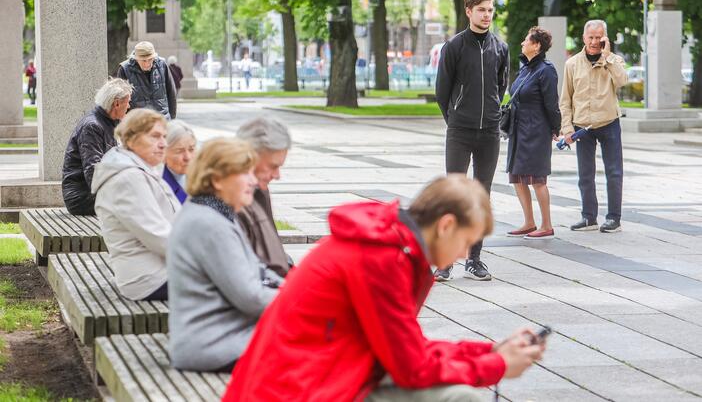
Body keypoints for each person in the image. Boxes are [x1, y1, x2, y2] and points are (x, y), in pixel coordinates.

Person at [223, 176, 546, 401]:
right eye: (467, 242)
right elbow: (412, 369)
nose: (464, 255)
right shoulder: (383, 257)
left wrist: (490, 351)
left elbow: (407, 349)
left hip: (306, 381)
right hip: (296, 390)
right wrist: (498, 365)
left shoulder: (389, 246)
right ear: (446, 225)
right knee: (457, 398)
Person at [168, 138, 284, 373]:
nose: (253, 181)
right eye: (245, 173)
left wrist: (296, 288)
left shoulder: (215, 213)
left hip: (224, 337)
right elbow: (250, 297)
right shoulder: (208, 224)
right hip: (217, 346)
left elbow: (258, 271)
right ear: (217, 179)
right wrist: (300, 300)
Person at [434, 0, 509, 281]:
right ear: (469, 12)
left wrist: (491, 115)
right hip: (460, 132)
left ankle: (475, 259)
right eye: (481, 10)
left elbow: (501, 86)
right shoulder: (453, 47)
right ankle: (446, 261)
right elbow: (442, 92)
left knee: (481, 197)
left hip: (489, 131)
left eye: (490, 10)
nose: (487, 15)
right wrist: (455, 119)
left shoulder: (500, 48)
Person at [92, 109, 180, 301]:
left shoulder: (140, 170)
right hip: (150, 279)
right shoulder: (128, 178)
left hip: (163, 271)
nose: (163, 143)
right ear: (131, 140)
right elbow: (159, 237)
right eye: (155, 136)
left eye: (164, 137)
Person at [560, 20, 627, 233]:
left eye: (599, 37)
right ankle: (589, 217)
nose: (594, 42)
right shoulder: (572, 64)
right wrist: (568, 129)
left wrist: (607, 57)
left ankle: (613, 218)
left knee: (614, 172)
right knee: (585, 175)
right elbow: (565, 100)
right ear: (583, 38)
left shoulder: (614, 60)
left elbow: (623, 81)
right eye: (591, 37)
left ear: (605, 38)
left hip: (609, 123)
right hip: (583, 127)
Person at [505, 27, 561, 239]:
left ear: (536, 45)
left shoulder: (546, 70)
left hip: (537, 130)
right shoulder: (526, 69)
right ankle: (529, 221)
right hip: (518, 130)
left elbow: (551, 103)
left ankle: (547, 224)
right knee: (517, 177)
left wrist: (556, 128)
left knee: (538, 179)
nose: (522, 43)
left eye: (526, 40)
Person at [62, 78, 132, 216]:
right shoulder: (92, 126)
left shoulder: (108, 123)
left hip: (93, 193)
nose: (129, 106)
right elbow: (93, 173)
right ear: (117, 103)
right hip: (81, 197)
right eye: (128, 102)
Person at [236, 117, 292, 277]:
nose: (277, 175)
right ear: (249, 156)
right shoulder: (227, 200)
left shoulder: (259, 191)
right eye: (273, 166)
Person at [117, 41, 177, 119]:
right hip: (137, 122)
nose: (147, 64)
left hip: (162, 119)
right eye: (143, 60)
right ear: (136, 59)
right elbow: (120, 99)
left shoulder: (162, 64)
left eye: (150, 59)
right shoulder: (124, 69)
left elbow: (171, 92)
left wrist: (172, 118)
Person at [163, 120, 196, 204]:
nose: (187, 157)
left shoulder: (203, 178)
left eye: (191, 149)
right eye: (179, 151)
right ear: (163, 152)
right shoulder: (158, 185)